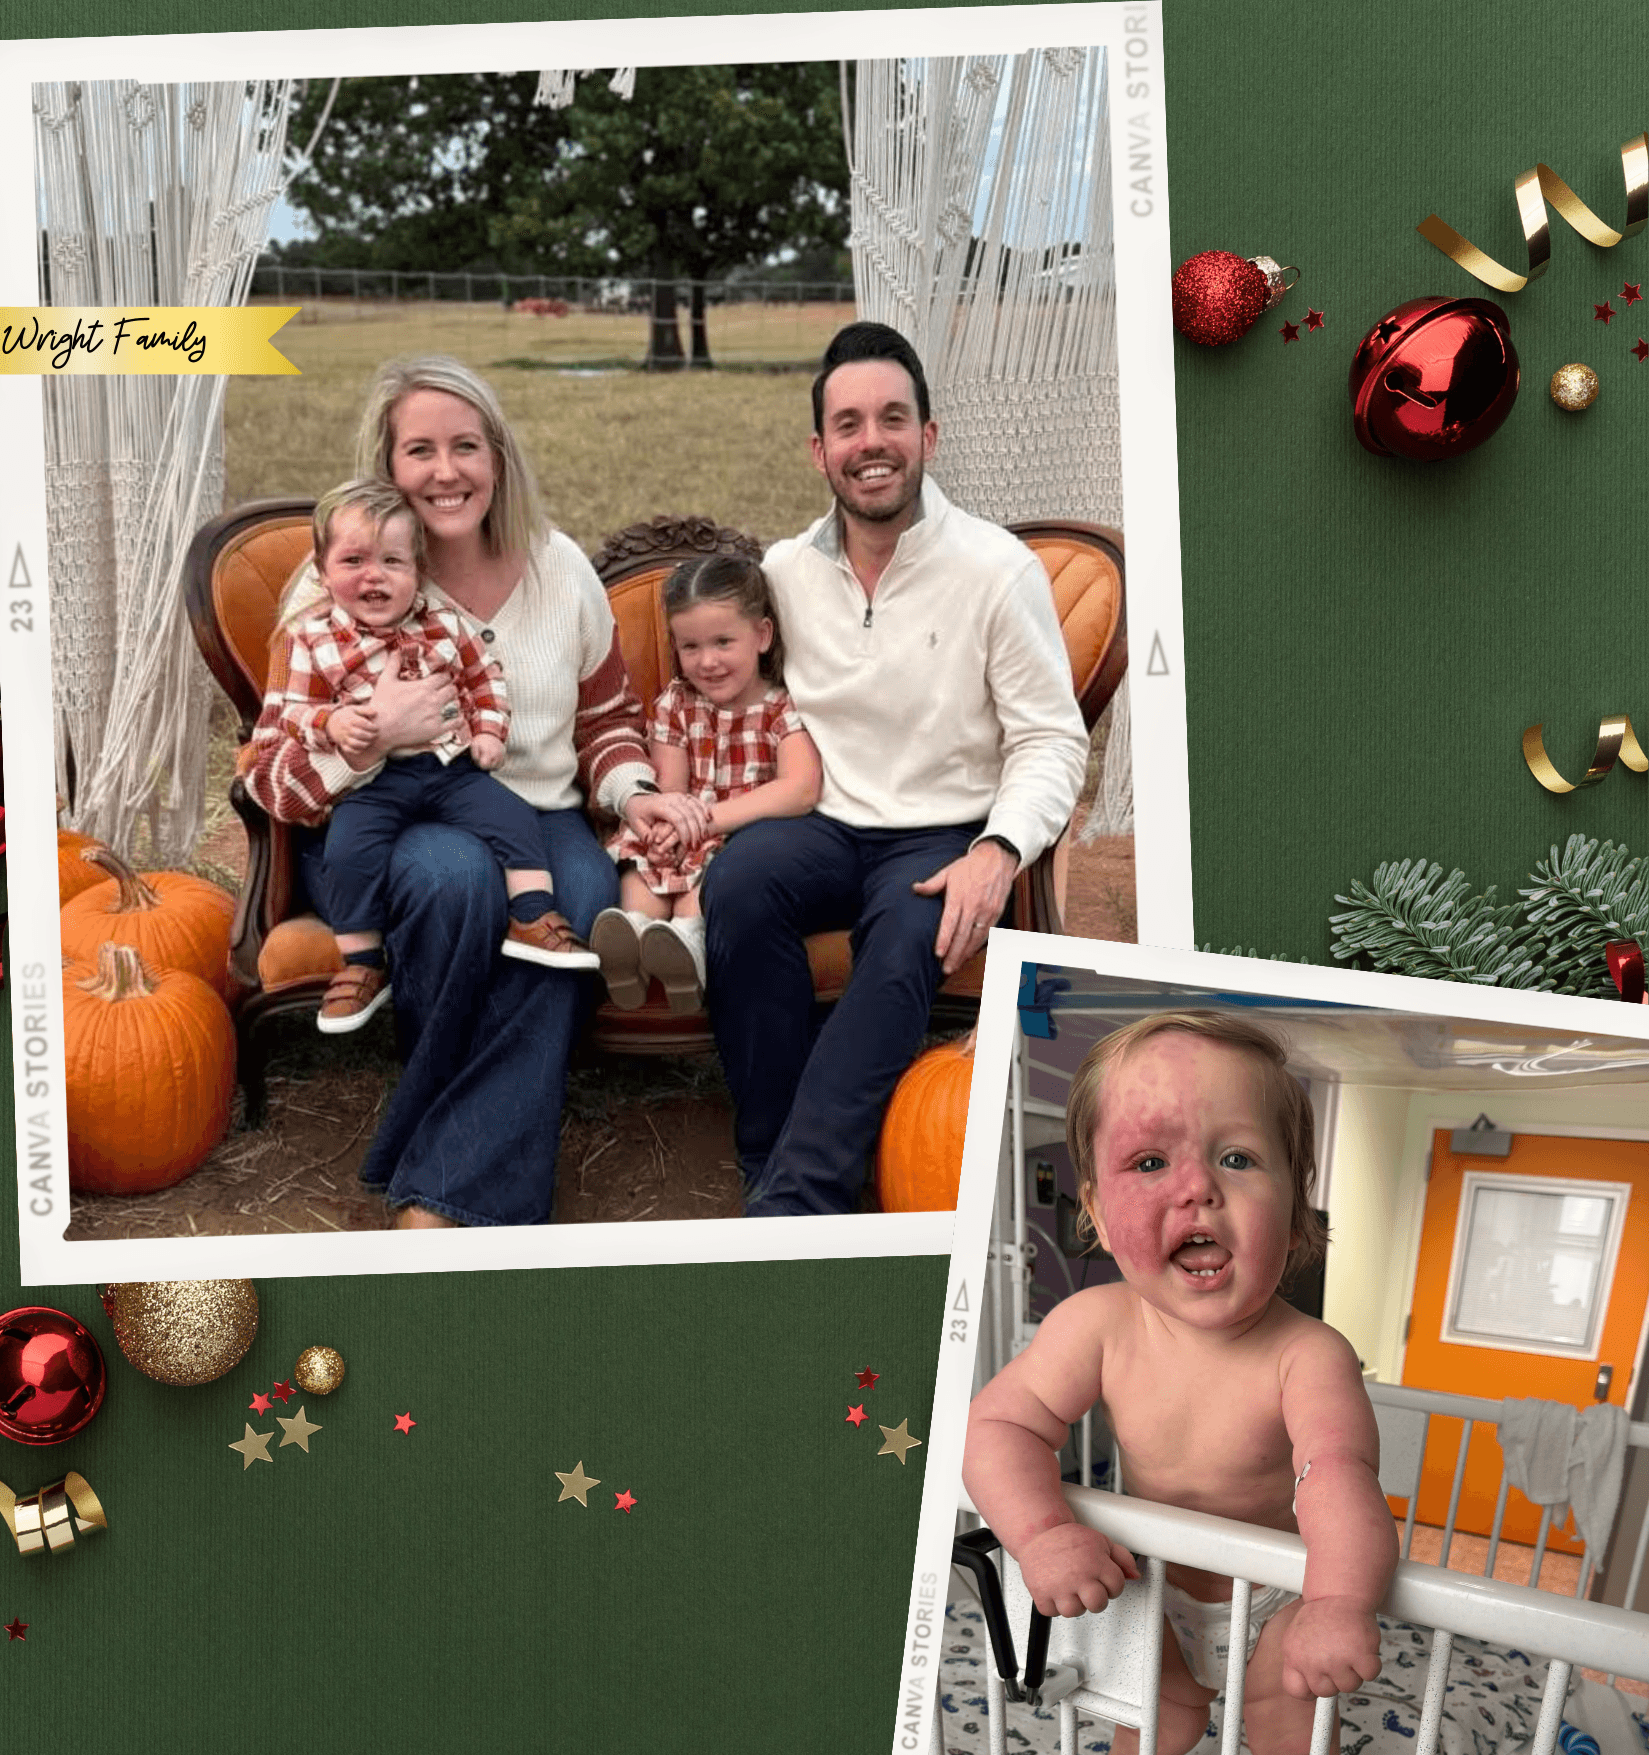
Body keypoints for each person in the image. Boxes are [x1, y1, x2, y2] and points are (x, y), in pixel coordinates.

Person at [244, 356, 703, 1228]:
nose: (445, 471)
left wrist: (634, 788)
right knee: (451, 881)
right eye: (419, 450)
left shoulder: (559, 568)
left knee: (578, 897)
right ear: (388, 465)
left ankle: (438, 1173)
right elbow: (271, 776)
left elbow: (604, 718)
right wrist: (372, 734)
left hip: (537, 807)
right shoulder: (335, 585)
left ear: (498, 456)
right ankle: (456, 1185)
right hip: (394, 811)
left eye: (466, 446)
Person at [702, 320, 1090, 1215]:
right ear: (818, 450)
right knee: (742, 885)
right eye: (847, 424)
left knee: (913, 933)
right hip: (820, 823)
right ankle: (769, 1150)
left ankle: (797, 1198)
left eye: (891, 418)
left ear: (928, 436)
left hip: (939, 831)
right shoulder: (784, 572)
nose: (869, 442)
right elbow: (736, 693)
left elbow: (1051, 738)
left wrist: (998, 850)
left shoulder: (996, 571)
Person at [963, 1012, 1397, 1755]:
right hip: (1149, 1593)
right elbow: (998, 1426)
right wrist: (1041, 1533)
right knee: (1154, 1723)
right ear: (1095, 1211)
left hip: (1277, 1596)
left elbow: (1338, 1474)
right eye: (1150, 1163)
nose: (1197, 1187)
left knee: (1291, 1724)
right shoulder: (1093, 1323)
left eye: (1237, 1157)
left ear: (1295, 1214)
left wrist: (1337, 1600)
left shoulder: (1308, 1353)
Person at [252, 478, 599, 1037]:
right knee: (349, 850)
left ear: (418, 571)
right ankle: (362, 964)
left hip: (448, 770)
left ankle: (532, 915)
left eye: (393, 561)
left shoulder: (441, 625)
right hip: (373, 783)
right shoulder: (311, 637)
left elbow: (486, 678)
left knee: (510, 817)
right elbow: (293, 711)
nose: (374, 576)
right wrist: (336, 724)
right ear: (321, 568)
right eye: (354, 561)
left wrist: (488, 730)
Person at [589, 553, 821, 1013]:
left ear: (762, 635)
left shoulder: (781, 706)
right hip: (687, 825)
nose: (707, 661)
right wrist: (666, 828)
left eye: (722, 642)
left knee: (712, 873)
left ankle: (686, 947)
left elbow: (800, 788)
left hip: (744, 835)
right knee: (642, 863)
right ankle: (630, 939)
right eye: (690, 647)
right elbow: (670, 785)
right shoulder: (677, 702)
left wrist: (707, 822)